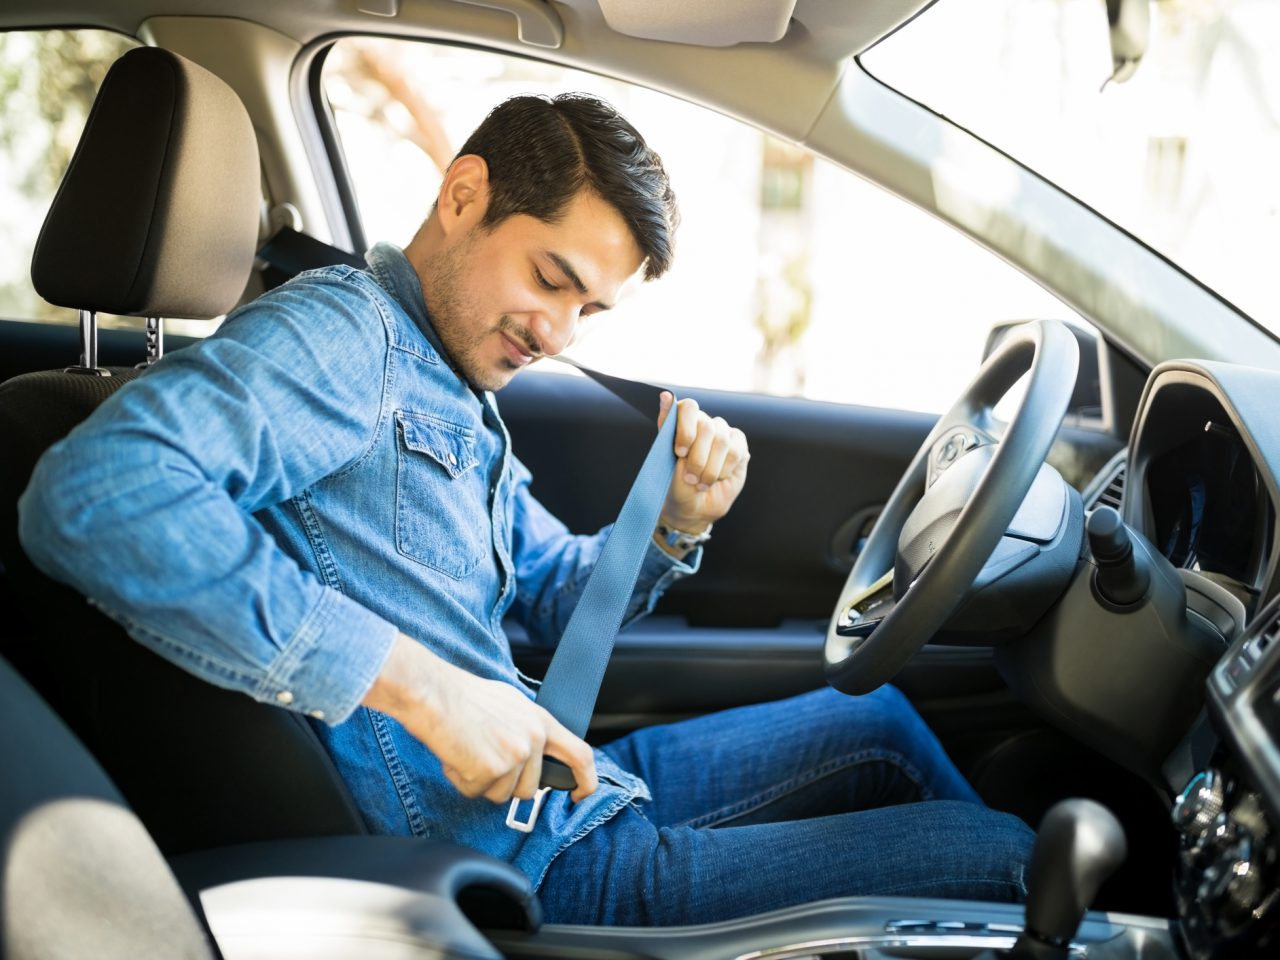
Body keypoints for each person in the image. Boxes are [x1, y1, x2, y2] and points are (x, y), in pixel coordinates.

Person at [19, 93, 1034, 926]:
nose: (557, 334)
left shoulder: (447, 375)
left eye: (588, 310)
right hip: (510, 864)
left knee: (879, 720)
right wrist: (423, 688)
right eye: (551, 279)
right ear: (463, 194)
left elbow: (551, 594)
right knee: (1008, 860)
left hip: (557, 796)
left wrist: (676, 520)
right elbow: (95, 495)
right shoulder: (344, 338)